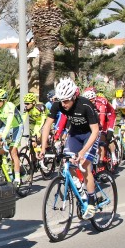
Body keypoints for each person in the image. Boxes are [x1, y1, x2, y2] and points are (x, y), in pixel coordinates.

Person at [39, 78, 101, 219]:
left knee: (84, 165)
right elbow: (47, 126)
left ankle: (91, 202)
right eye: (61, 100)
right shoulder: (58, 105)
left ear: (74, 96)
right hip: (74, 134)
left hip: (90, 134)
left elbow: (95, 131)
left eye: (66, 101)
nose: (64, 104)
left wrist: (83, 152)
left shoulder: (85, 105)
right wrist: (43, 148)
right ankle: (81, 190)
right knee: (69, 164)